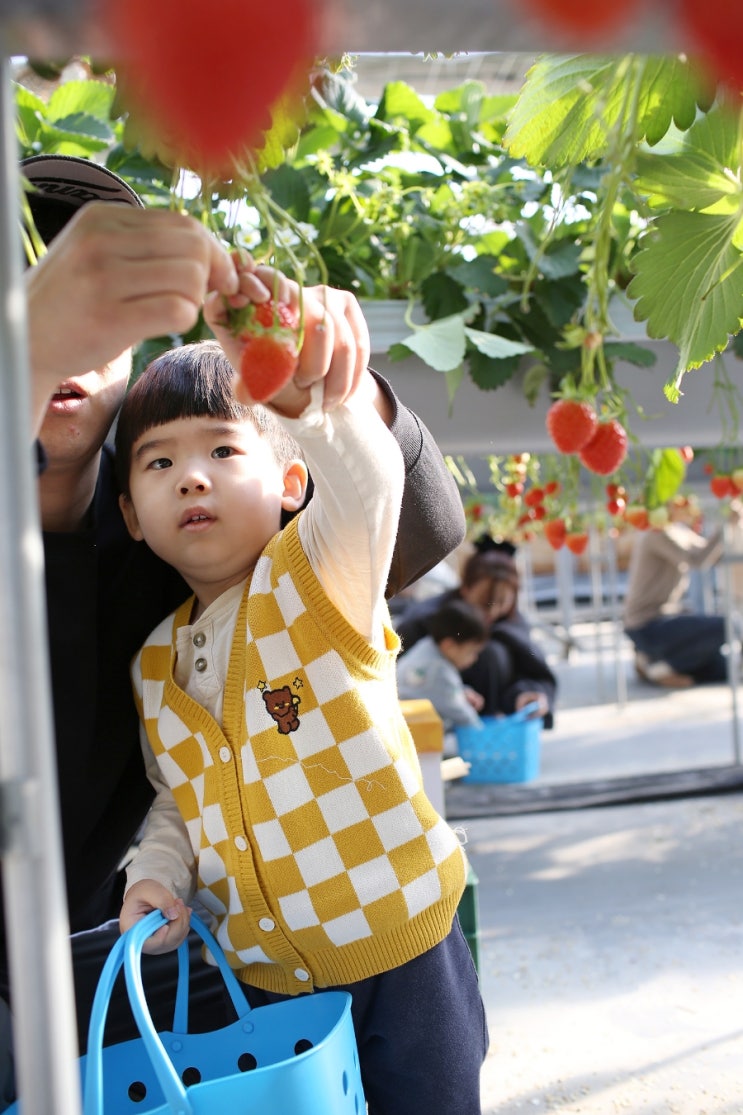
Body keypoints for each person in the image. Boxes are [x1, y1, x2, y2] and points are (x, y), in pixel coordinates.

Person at [2, 154, 467, 1093]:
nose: (67, 334)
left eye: (97, 305)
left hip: (160, 960)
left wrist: (335, 389)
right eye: (33, 302)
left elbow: (411, 522)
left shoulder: (185, 528)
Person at [113, 326, 488, 1114]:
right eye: (159, 462)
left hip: (402, 949)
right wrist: (156, 873)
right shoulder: (152, 663)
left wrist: (311, 401)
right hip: (269, 984)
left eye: (222, 449)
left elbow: (370, 482)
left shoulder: (317, 575)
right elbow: (179, 796)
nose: (191, 477)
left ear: (290, 481)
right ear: (131, 515)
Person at [395, 541, 557, 727]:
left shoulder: (513, 626)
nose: (492, 612)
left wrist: (526, 694)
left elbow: (535, 674)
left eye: (501, 602)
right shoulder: (427, 620)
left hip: (499, 723)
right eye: (484, 602)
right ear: (465, 589)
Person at [623, 495, 741, 688]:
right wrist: (726, 525)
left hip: (666, 620)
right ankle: (657, 665)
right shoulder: (656, 533)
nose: (689, 506)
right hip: (648, 626)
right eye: (680, 502)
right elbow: (698, 561)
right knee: (728, 626)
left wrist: (732, 527)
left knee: (725, 668)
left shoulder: (677, 531)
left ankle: (655, 663)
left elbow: (710, 554)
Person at [396, 597, 487, 737]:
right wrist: (483, 733)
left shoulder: (426, 646)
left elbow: (443, 691)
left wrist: (463, 693)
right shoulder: (439, 671)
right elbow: (463, 715)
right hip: (413, 733)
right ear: (449, 645)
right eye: (471, 652)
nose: (475, 658)